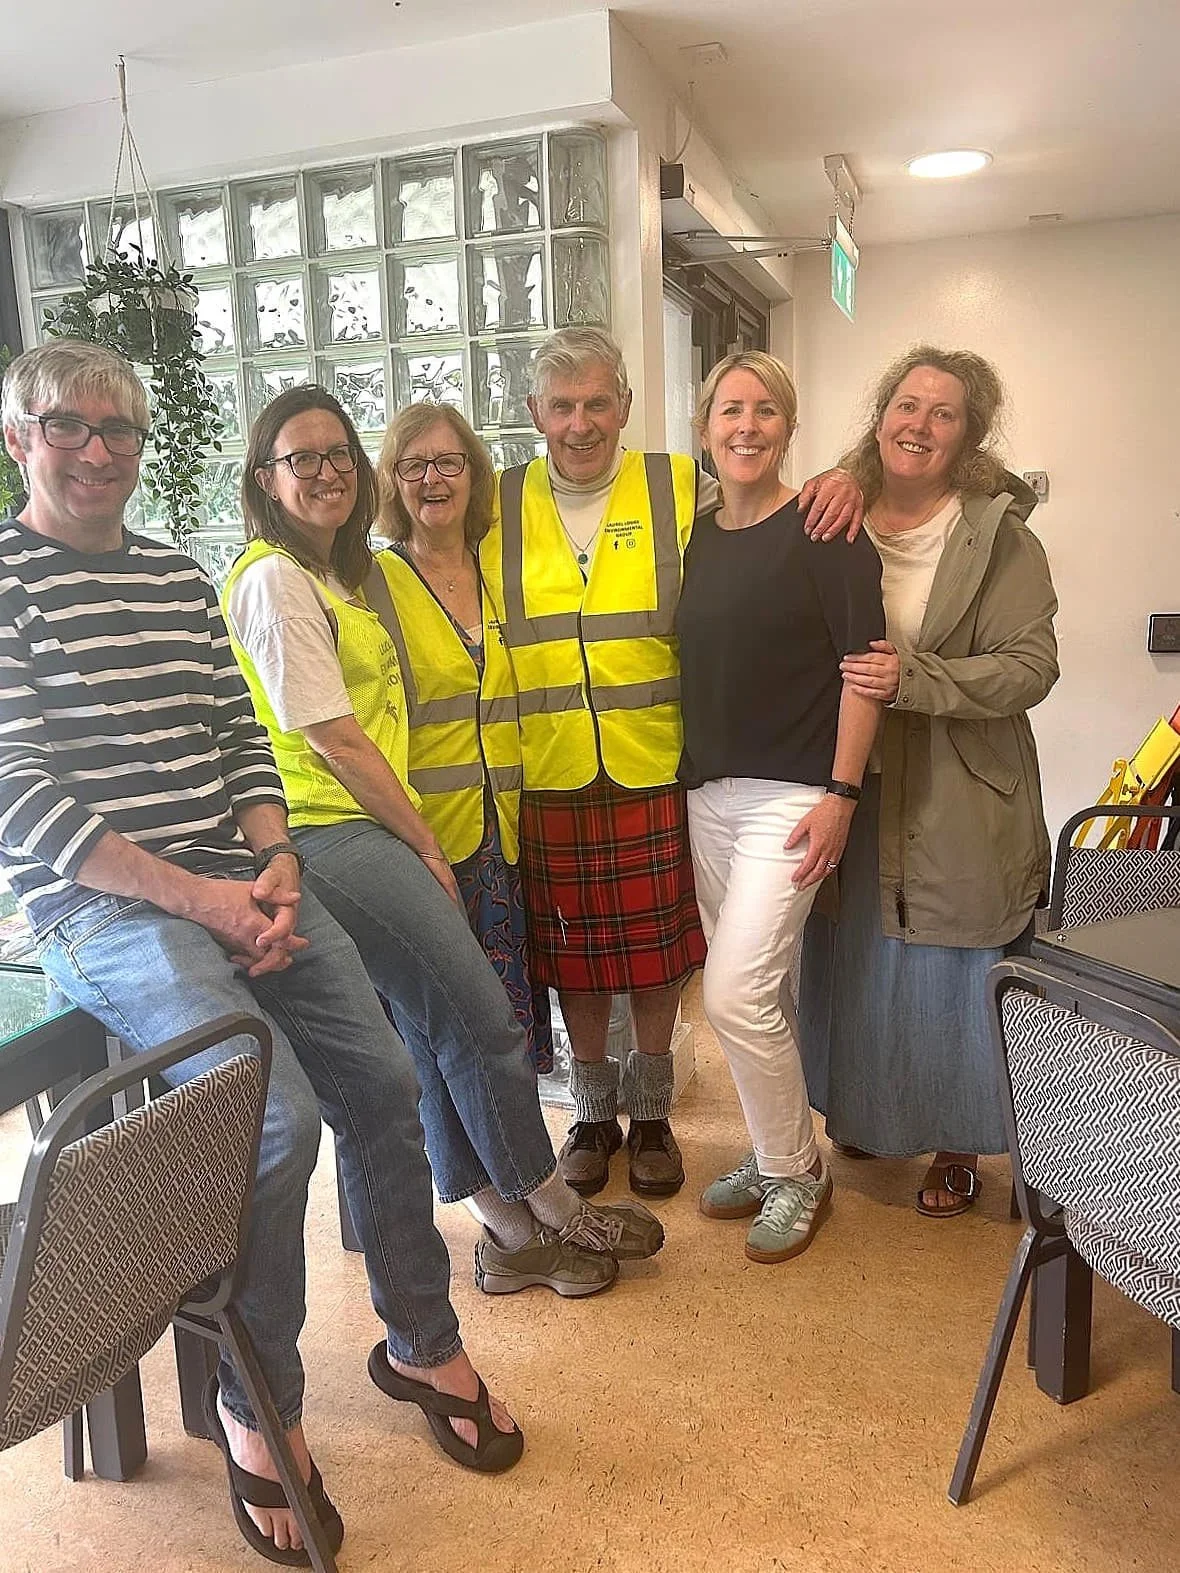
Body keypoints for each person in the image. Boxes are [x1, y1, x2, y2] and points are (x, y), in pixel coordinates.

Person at [0, 341, 521, 1568]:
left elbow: (241, 733)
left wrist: (274, 855)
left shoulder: (178, 578)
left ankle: (415, 1338)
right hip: (109, 911)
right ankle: (258, 1405)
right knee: (275, 1123)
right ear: (20, 438)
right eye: (68, 427)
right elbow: (23, 801)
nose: (97, 451)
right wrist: (207, 898)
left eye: (119, 431)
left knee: (388, 1089)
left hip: (243, 882)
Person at [222, 385, 662, 1307]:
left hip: (417, 822)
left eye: (338, 453)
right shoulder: (280, 579)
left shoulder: (334, 578)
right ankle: (542, 1207)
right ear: (266, 478)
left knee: (439, 1027)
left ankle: (509, 1230)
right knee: (476, 1018)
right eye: (303, 458)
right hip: (332, 827)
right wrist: (422, 840)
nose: (328, 472)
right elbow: (333, 738)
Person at [479, 327, 864, 1198]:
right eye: (562, 405)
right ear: (535, 412)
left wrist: (852, 476)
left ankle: (652, 1111)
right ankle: (590, 1112)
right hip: (548, 765)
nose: (581, 423)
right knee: (572, 956)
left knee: (658, 955)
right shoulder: (492, 502)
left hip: (659, 758)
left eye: (598, 403)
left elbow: (768, 493)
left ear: (625, 407)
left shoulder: (677, 483)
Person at [798, 346, 1059, 1216]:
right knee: (861, 954)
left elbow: (1031, 666)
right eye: (906, 405)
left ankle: (958, 1146)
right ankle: (871, 1114)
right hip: (850, 781)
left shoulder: (999, 537)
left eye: (943, 414)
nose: (919, 425)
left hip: (960, 788)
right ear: (881, 416)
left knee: (954, 963)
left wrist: (916, 679)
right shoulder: (836, 510)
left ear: (969, 436)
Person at [676, 352, 884, 1263]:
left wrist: (842, 794)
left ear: (788, 426)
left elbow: (864, 674)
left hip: (794, 797)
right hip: (709, 794)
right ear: (705, 426)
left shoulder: (828, 527)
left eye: (765, 411)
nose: (747, 426)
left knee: (734, 990)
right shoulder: (696, 535)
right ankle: (773, 1153)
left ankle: (798, 1170)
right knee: (763, 993)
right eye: (730, 410)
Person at [375, 401, 552, 1073]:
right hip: (425, 845)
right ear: (391, 481)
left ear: (473, 474)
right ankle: (481, 1177)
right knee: (444, 1034)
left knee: (503, 1031)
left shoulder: (498, 570)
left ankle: (514, 1167)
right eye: (413, 465)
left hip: (503, 840)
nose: (432, 480)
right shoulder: (373, 583)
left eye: (447, 462)